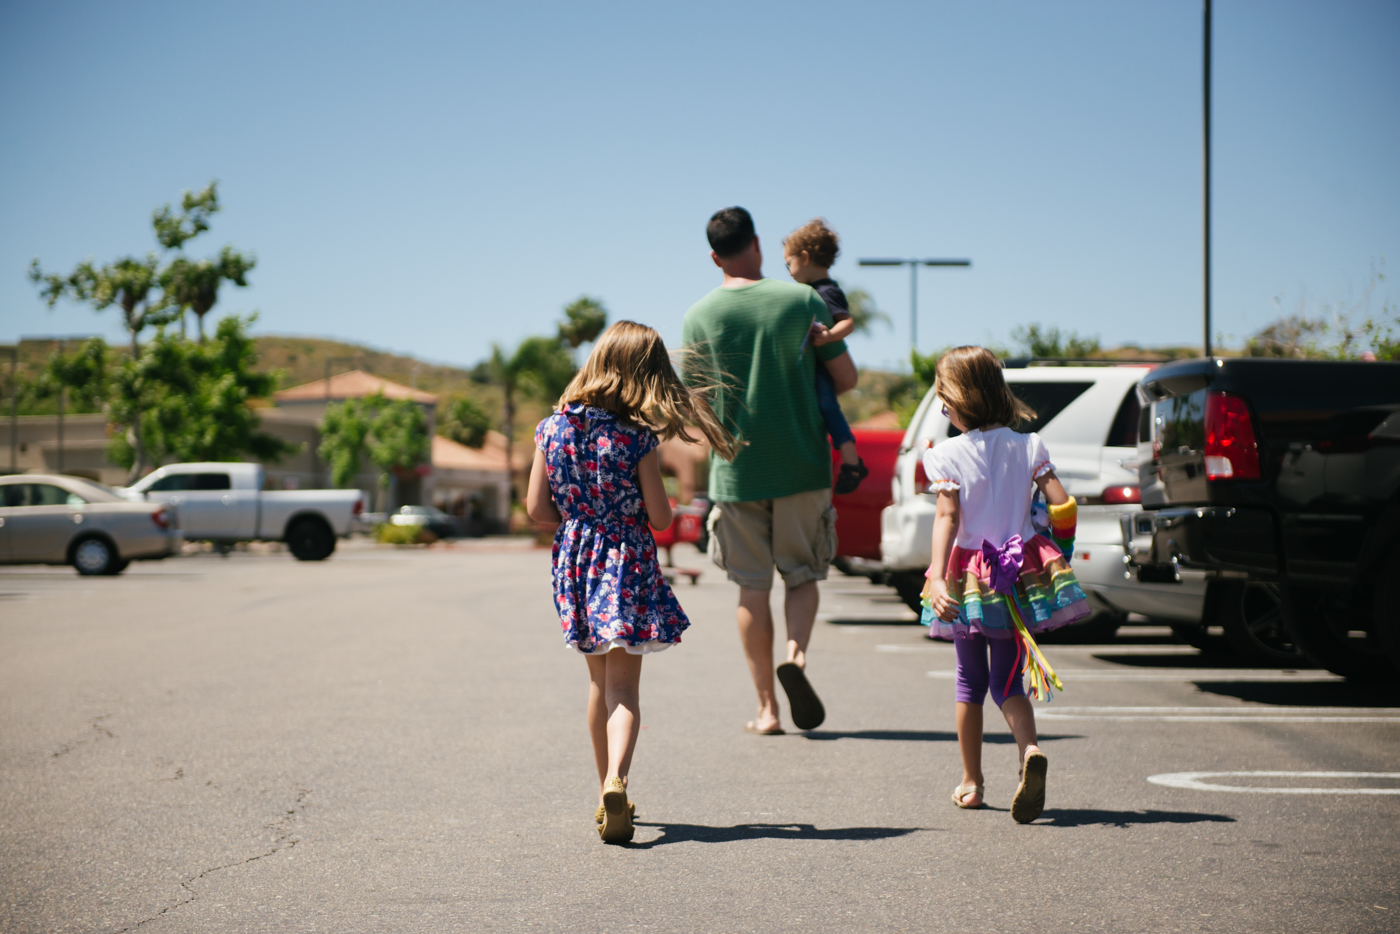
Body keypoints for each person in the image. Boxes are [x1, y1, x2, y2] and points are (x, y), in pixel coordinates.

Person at [527, 321, 737, 844]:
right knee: (625, 689)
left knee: (598, 684)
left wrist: (581, 519)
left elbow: (535, 508)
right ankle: (618, 780)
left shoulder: (551, 429)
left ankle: (604, 789)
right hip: (627, 561)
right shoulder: (637, 437)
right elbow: (662, 518)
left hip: (576, 560)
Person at [682, 207, 859, 735]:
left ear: (715, 257)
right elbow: (845, 379)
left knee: (751, 589)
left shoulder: (698, 317)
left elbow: (697, 403)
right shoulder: (803, 299)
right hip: (803, 464)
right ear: (757, 244)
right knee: (802, 576)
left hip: (736, 473)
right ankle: (796, 658)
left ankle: (767, 710)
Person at [919, 345, 1090, 824]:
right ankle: (1028, 752)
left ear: (960, 399)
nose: (942, 408)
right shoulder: (1030, 446)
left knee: (968, 681)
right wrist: (1061, 550)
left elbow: (948, 518)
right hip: (1016, 575)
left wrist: (936, 577)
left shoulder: (946, 455)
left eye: (943, 398)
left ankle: (971, 783)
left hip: (968, 579)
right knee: (1007, 679)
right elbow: (1064, 505)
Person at [782, 218, 868, 494]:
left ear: (804, 258)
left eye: (789, 264)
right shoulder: (811, 292)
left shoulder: (826, 292)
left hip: (822, 368)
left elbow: (848, 322)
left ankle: (853, 461)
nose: (789, 271)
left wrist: (830, 336)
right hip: (814, 365)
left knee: (827, 405)